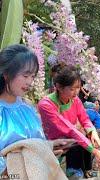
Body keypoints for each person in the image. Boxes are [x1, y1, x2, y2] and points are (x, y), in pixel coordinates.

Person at [0, 44, 74, 178]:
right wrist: (11, 167)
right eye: (25, 75)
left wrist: (51, 146)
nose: (30, 82)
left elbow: (34, 144)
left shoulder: (28, 108)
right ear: (6, 74)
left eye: (33, 76)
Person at [37, 65, 100, 178]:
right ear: (59, 87)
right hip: (55, 147)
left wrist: (92, 131)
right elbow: (69, 129)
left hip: (71, 143)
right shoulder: (46, 105)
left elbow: (84, 118)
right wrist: (94, 151)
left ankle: (82, 171)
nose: (76, 92)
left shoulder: (74, 100)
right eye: (72, 88)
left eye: (78, 87)